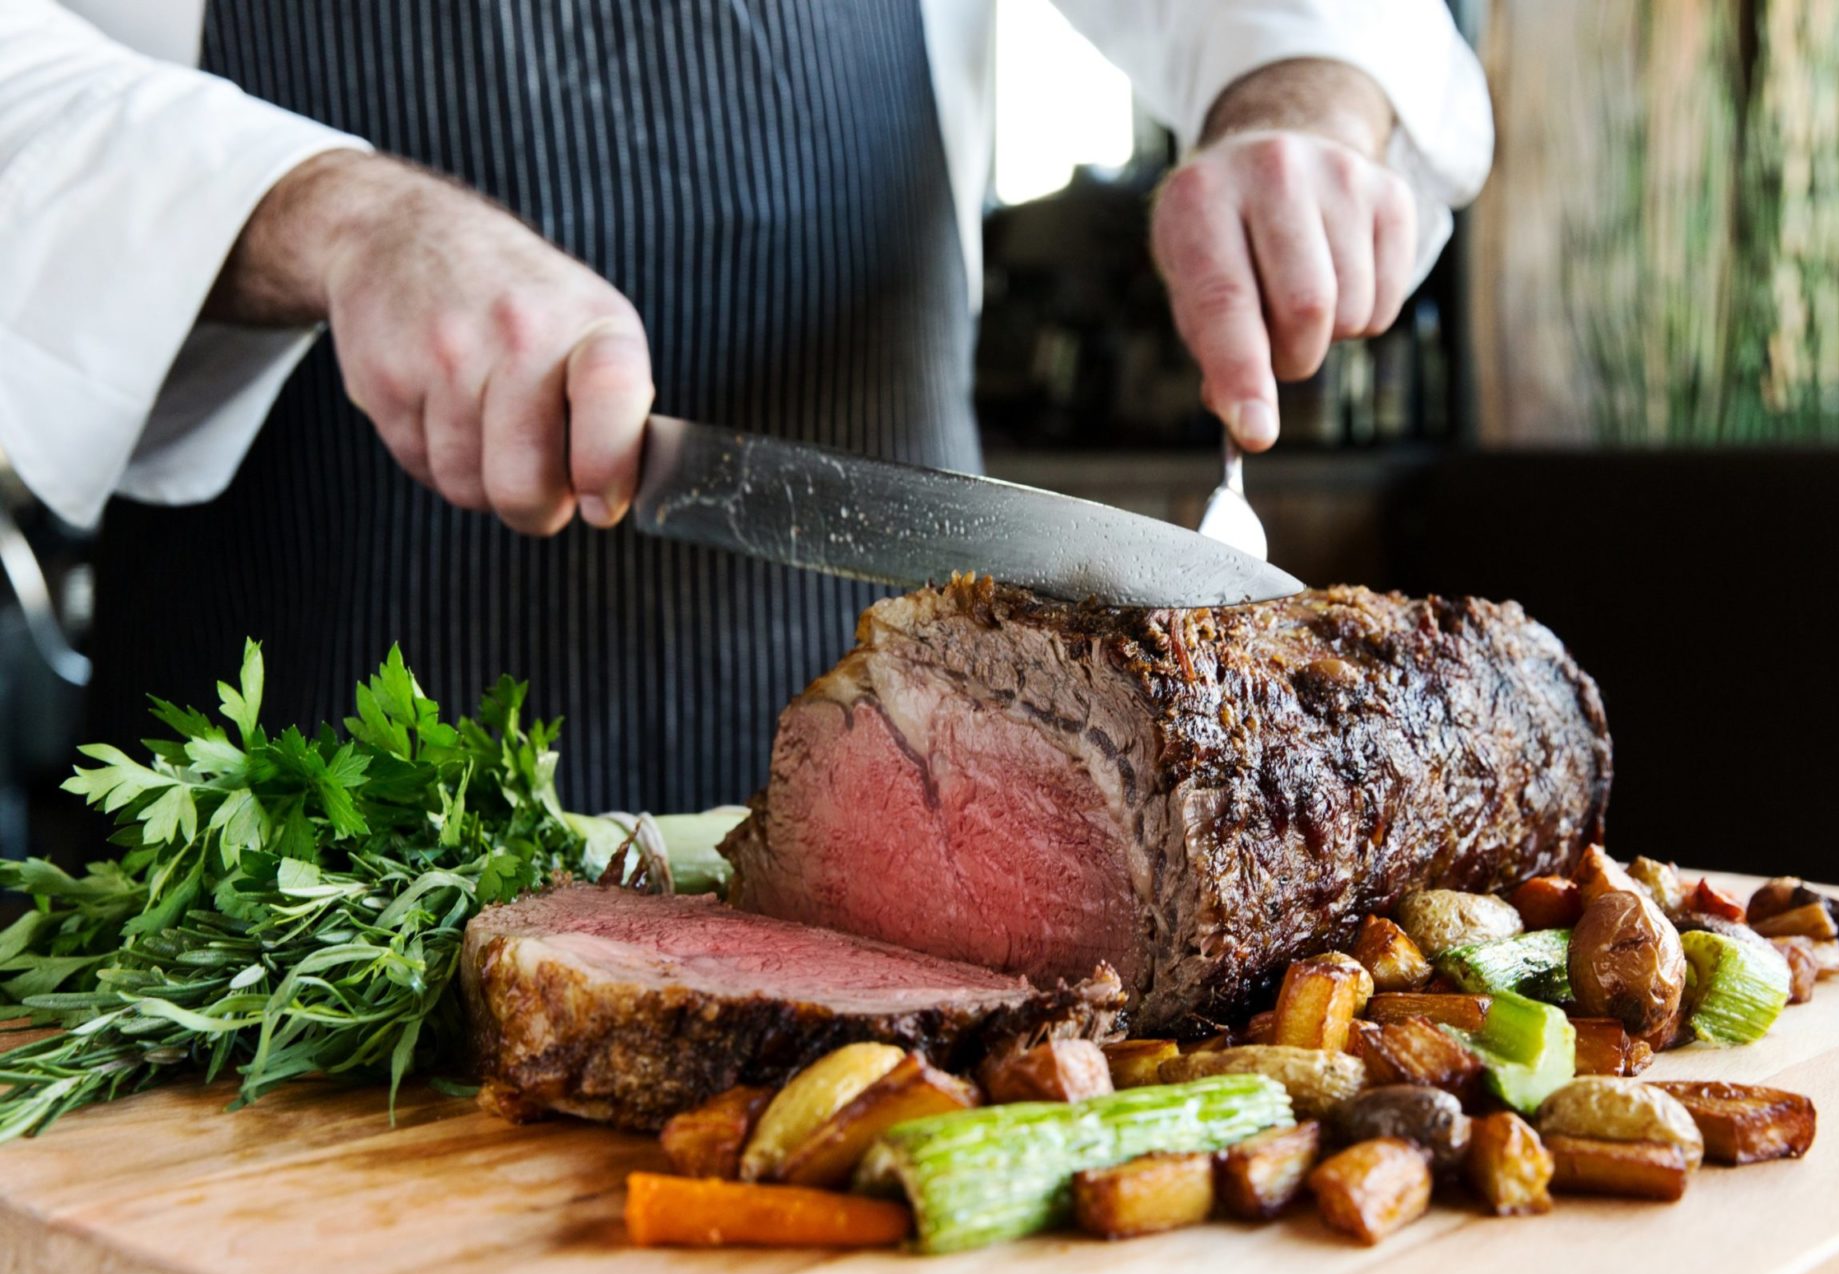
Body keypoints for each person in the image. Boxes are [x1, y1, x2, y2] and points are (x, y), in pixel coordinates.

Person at [0, 0, 1492, 811]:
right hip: (283, 803)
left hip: (926, 774)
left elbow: (1305, 33)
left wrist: (1299, 98)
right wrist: (335, 215)